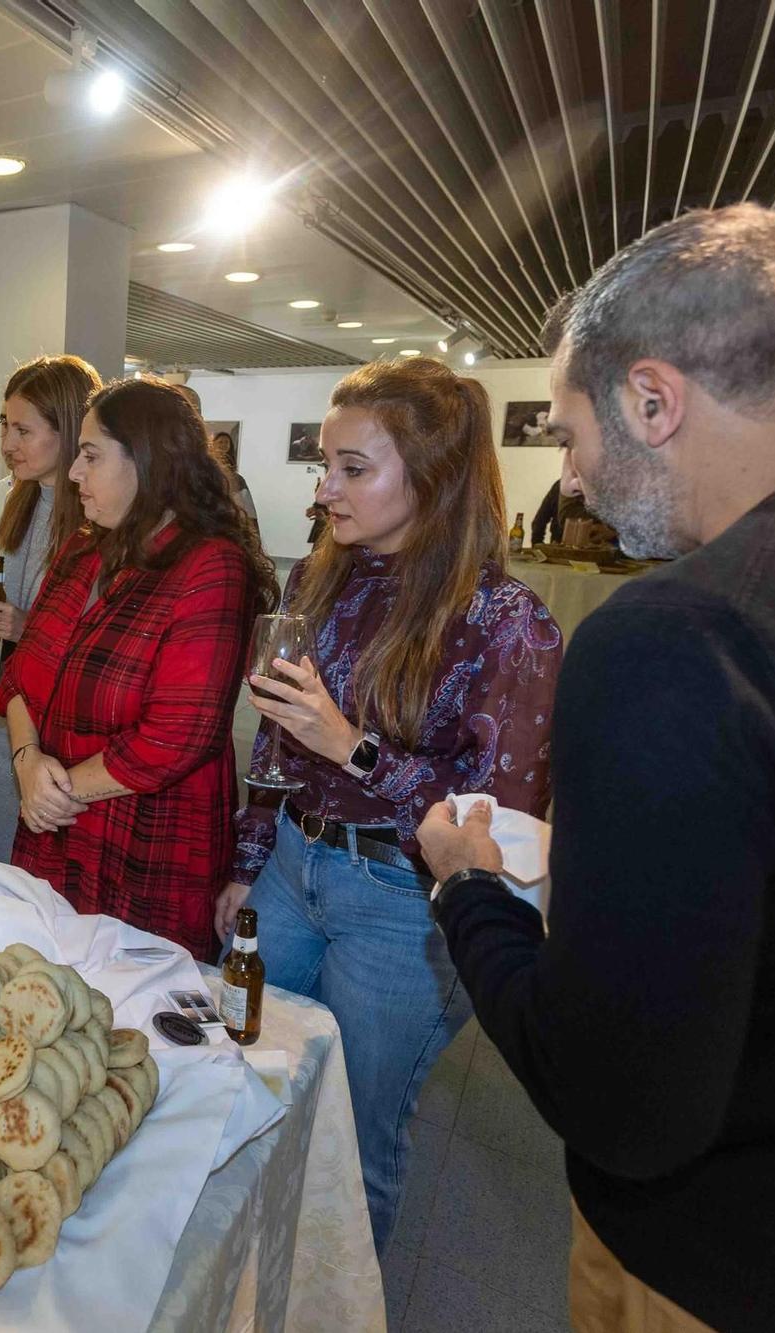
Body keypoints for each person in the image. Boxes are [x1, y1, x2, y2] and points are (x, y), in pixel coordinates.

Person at [419, 205, 775, 1333]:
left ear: (651, 401)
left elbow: (619, 1103)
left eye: (568, 435)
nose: (566, 479)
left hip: (737, 1266)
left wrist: (469, 890)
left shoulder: (681, 638)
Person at [216, 356, 563, 1254]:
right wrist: (250, 862)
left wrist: (354, 745)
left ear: (434, 477)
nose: (325, 486)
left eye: (353, 468)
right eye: (323, 463)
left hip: (402, 907)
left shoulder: (503, 621)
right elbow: (276, 740)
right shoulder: (317, 580)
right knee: (238, 1072)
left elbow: (492, 829)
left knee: (354, 1141)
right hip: (293, 866)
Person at [0, 378, 274, 957]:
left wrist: (57, 788)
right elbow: (22, 670)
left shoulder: (210, 565)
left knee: (135, 1016)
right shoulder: (82, 547)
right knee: (46, 988)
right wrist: (27, 762)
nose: (74, 474)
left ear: (148, 461)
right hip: (57, 819)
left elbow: (178, 735)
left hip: (147, 835)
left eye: (91, 456)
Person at [0, 354, 100, 861]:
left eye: (23, 430)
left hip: (58, 742)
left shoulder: (100, 522)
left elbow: (102, 648)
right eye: (4, 426)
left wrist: (26, 626)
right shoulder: (20, 502)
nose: (8, 445)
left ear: (71, 430)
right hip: (0, 726)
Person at [211, 428, 259, 526]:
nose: (223, 445)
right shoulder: (207, 473)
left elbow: (247, 509)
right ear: (214, 444)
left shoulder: (238, 479)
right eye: (220, 442)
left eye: (226, 442)